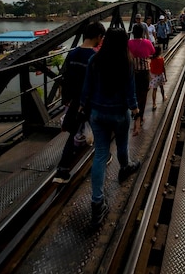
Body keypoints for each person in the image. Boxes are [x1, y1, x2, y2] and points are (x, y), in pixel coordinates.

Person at [80, 27, 141, 228]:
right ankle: (125, 167)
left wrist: (82, 106)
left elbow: (86, 89)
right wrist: (136, 113)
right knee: (122, 146)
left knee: (100, 154)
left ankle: (97, 203)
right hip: (119, 113)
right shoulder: (127, 62)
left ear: (104, 41)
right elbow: (130, 93)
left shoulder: (94, 61)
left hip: (97, 114)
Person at [53, 21, 106, 184]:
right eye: (101, 38)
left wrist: (67, 101)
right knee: (100, 132)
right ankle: (103, 159)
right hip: (90, 101)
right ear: (98, 37)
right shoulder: (95, 57)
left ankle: (62, 170)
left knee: (73, 135)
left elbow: (66, 79)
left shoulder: (73, 53)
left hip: (76, 102)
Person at [127, 23, 155, 126]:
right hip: (144, 73)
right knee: (143, 94)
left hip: (132, 72)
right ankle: (141, 115)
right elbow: (152, 52)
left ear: (133, 33)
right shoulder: (147, 42)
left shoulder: (128, 43)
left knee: (133, 92)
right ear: (143, 33)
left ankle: (133, 111)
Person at [149, 44, 167, 109]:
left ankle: (154, 104)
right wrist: (165, 76)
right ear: (160, 51)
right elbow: (163, 68)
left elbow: (150, 68)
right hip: (160, 76)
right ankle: (163, 97)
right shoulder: (161, 59)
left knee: (154, 90)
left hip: (154, 76)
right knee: (162, 88)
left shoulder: (151, 59)